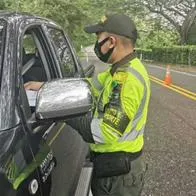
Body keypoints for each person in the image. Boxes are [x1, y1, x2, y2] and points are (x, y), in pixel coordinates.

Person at [25, 14, 151, 196]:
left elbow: (105, 132)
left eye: (98, 38)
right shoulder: (119, 70)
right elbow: (89, 85)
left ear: (111, 42)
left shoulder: (128, 79)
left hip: (118, 178)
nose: (97, 44)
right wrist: (44, 86)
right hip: (113, 168)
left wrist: (65, 111)